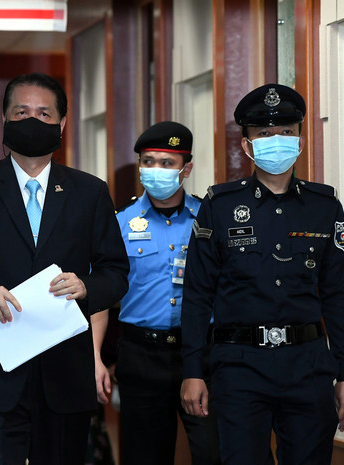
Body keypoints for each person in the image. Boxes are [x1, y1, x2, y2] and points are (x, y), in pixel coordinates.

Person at [0, 72, 130, 465]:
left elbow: (116, 272)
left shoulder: (90, 192)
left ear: (62, 124)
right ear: (4, 119)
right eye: (21, 112)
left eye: (44, 113)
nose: (32, 121)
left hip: (66, 376)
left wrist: (86, 286)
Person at [180, 84, 344, 465]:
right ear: (246, 145)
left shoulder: (324, 206)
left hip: (308, 366)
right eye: (264, 134)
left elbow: (339, 295)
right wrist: (193, 370)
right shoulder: (220, 206)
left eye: (286, 132)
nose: (276, 140)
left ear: (300, 141)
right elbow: (197, 295)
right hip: (239, 368)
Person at [93, 121, 220, 465]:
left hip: (201, 355)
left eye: (167, 163)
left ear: (186, 169)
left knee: (213, 454)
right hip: (141, 356)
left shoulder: (208, 220)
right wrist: (96, 358)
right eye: (148, 161)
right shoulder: (119, 223)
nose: (156, 170)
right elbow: (101, 298)